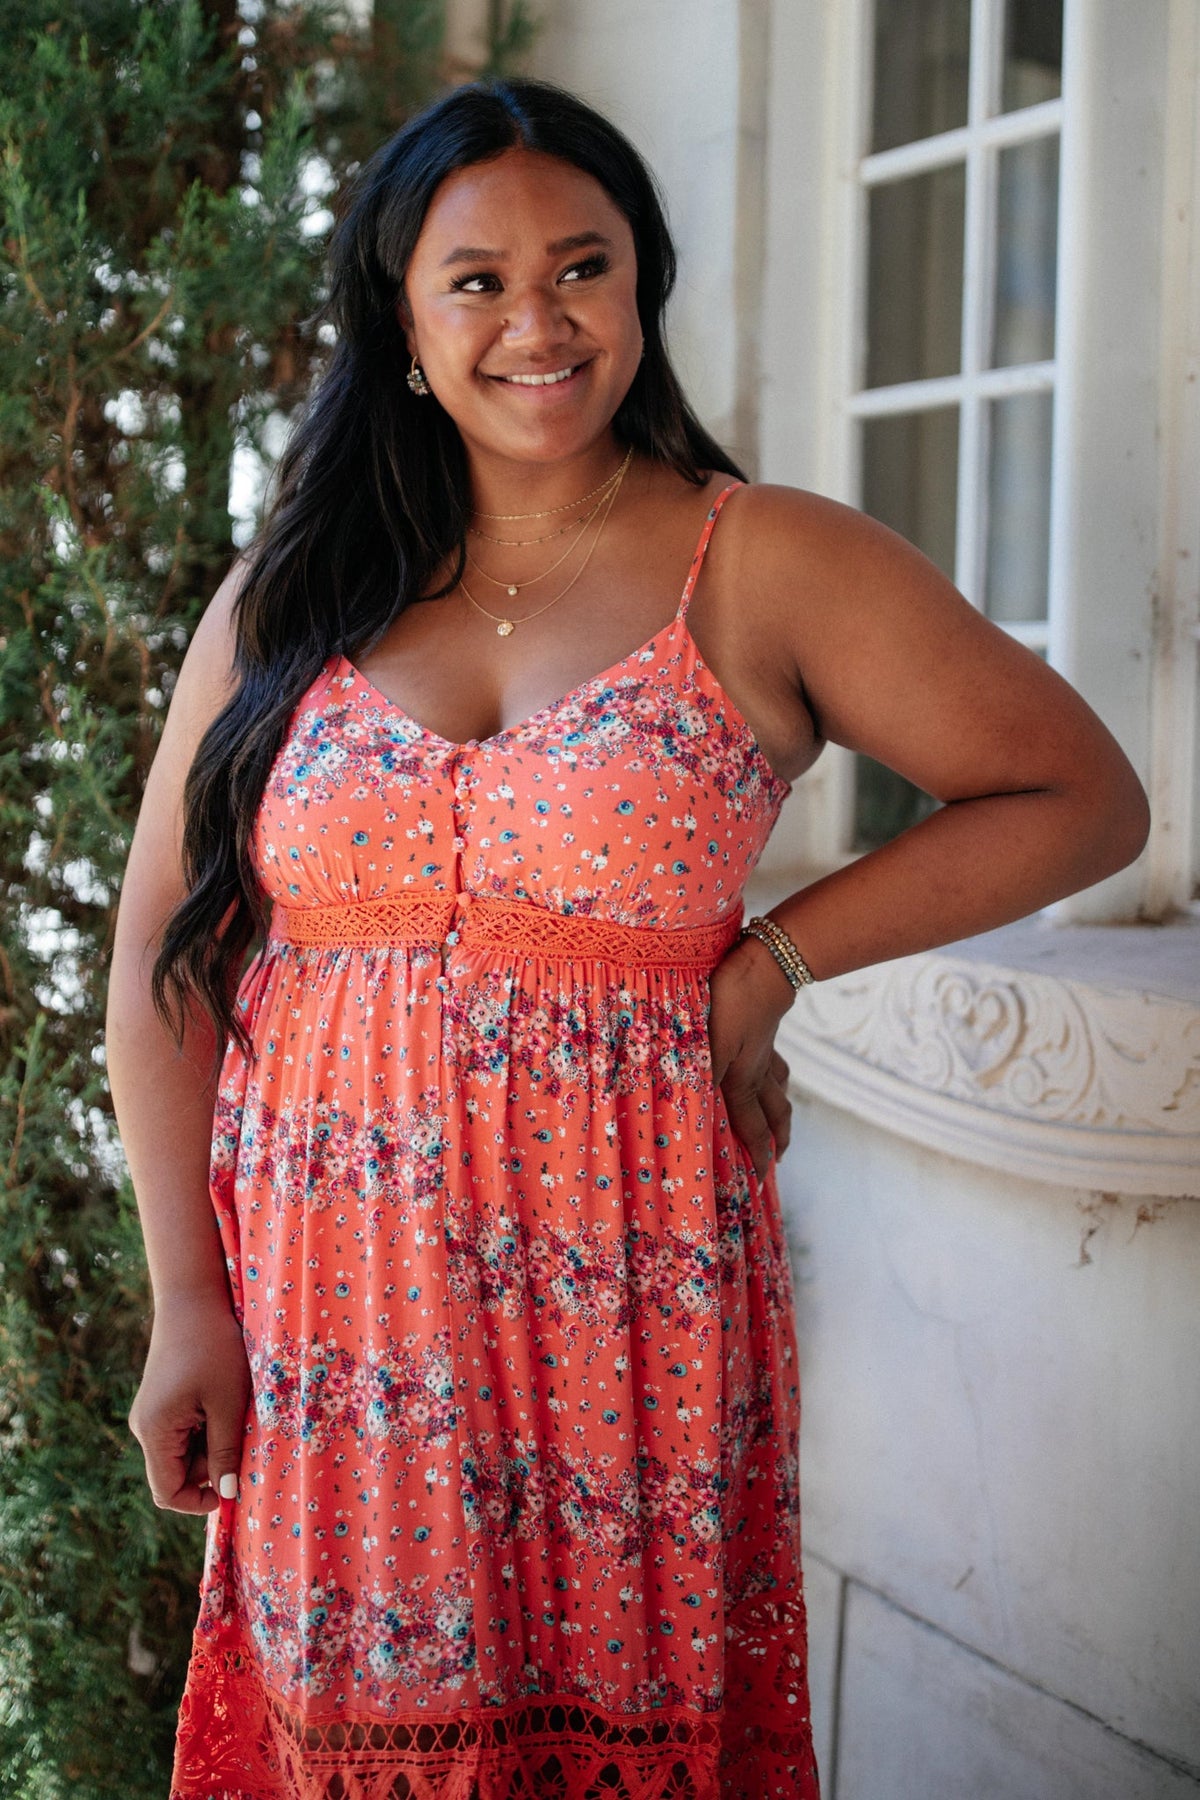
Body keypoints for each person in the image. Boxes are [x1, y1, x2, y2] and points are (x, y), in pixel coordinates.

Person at [106, 76, 1148, 1800]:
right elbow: (167, 949)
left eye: (583, 268)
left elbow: (1076, 795)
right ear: (400, 316)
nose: (539, 321)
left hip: (628, 1328)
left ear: (643, 287)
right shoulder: (290, 589)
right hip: (328, 1332)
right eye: (479, 281)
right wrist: (184, 1301)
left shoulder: (765, 564)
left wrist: (771, 961)